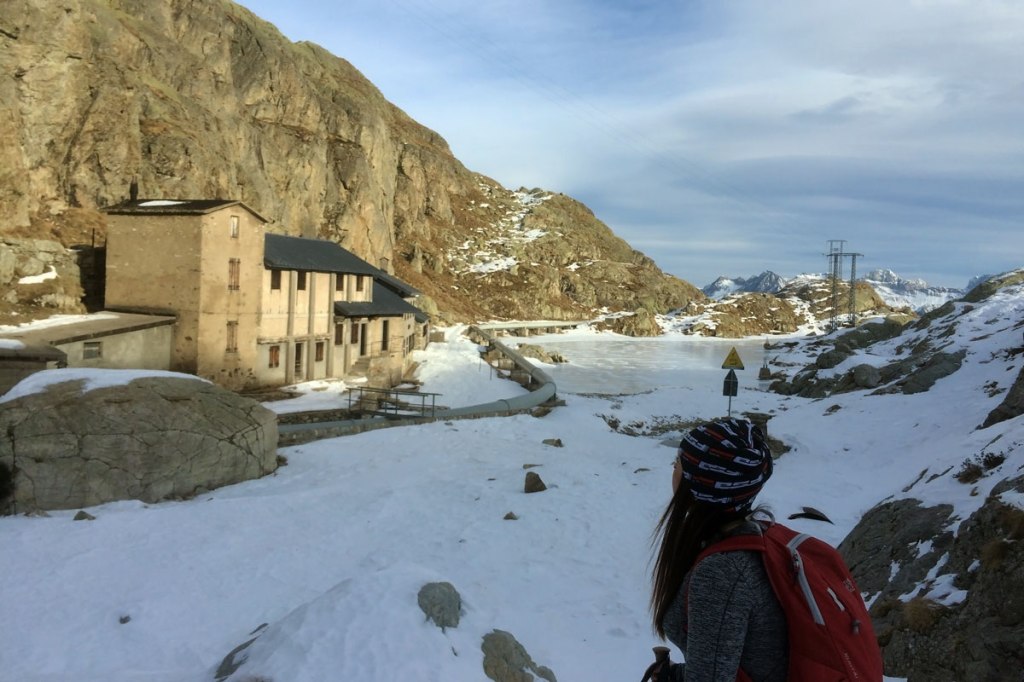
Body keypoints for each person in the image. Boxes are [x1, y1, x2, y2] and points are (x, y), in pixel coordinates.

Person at [647, 418, 787, 682]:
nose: (673, 468)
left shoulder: (721, 573)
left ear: (697, 484)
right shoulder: (750, 536)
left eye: (679, 462)